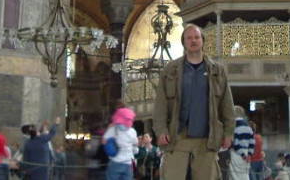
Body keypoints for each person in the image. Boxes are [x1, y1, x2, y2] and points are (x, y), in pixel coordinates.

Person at [153, 24, 235, 180]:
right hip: (177, 136)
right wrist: (161, 130)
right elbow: (160, 105)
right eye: (189, 38)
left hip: (207, 137)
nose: (193, 41)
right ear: (183, 42)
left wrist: (229, 132)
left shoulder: (217, 71)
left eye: (196, 37)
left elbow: (227, 104)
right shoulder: (170, 70)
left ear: (202, 40)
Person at [102, 107, 138, 180]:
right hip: (128, 163)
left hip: (115, 162)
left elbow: (104, 141)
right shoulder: (132, 131)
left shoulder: (113, 129)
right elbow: (136, 144)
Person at [228, 106, 253, 180]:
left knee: (235, 176)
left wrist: (242, 155)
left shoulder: (234, 125)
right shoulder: (248, 127)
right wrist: (249, 155)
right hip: (247, 153)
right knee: (245, 175)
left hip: (236, 153)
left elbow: (235, 142)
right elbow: (252, 142)